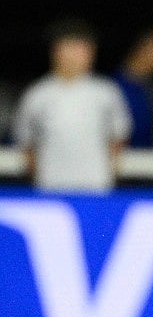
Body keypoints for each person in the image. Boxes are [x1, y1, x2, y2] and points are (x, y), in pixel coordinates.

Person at [11, 17, 131, 192]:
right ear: (56, 51)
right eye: (69, 47)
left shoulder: (106, 91)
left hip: (96, 187)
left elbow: (119, 137)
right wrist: (39, 177)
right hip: (50, 187)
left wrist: (107, 174)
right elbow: (25, 142)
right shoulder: (38, 93)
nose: (75, 55)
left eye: (82, 48)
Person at [114, 28, 153, 148]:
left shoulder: (151, 90)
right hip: (122, 161)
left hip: (147, 162)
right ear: (143, 50)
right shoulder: (112, 88)